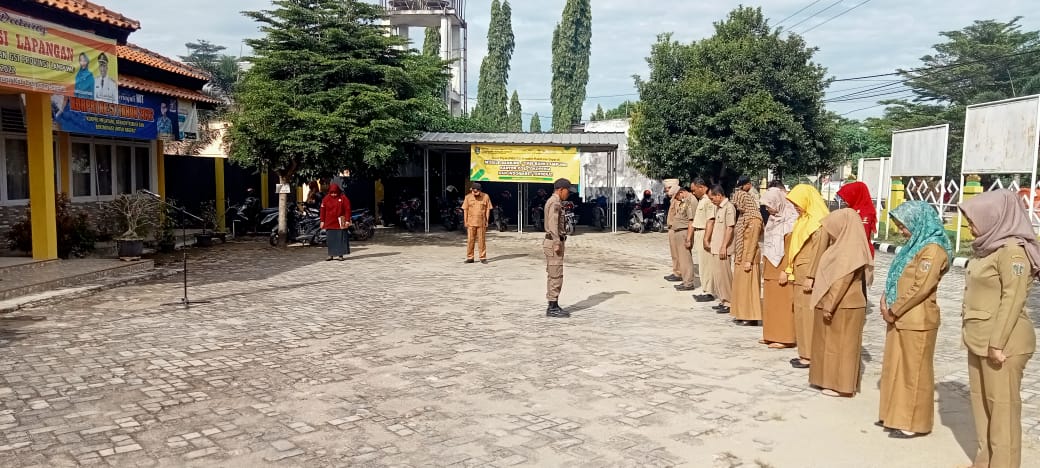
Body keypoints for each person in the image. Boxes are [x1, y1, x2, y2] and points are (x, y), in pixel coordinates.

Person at [959, 190, 1037, 468]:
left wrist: (997, 343)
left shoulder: (1014, 252)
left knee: (1002, 412)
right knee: (982, 406)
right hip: (978, 338)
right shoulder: (988, 247)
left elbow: (1012, 299)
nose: (969, 225)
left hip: (1004, 343)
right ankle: (985, 462)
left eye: (972, 219)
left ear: (994, 217)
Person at [877, 201, 952, 439]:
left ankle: (913, 422)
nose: (901, 230)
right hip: (900, 317)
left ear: (918, 222)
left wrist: (895, 308)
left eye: (903, 225)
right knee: (895, 367)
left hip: (916, 318)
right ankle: (894, 415)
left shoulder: (933, 249)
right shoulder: (915, 244)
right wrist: (885, 299)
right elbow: (898, 275)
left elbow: (921, 286)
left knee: (914, 371)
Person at [808, 208, 873, 398]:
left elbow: (842, 280)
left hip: (844, 305)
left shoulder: (849, 249)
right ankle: (828, 380)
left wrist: (830, 304)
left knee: (843, 347)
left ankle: (841, 385)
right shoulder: (843, 245)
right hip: (838, 303)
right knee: (830, 344)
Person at [785, 184, 831, 369]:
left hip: (808, 276)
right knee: (801, 314)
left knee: (808, 315)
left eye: (797, 202)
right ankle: (804, 352)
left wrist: (811, 276)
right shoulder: (804, 219)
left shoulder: (818, 222)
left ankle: (810, 354)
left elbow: (819, 252)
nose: (795, 206)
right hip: (800, 273)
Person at [760, 185, 798, 348]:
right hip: (770, 264)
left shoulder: (791, 220)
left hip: (783, 266)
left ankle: (785, 337)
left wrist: (786, 270)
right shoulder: (773, 219)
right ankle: (770, 334)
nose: (768, 209)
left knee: (783, 303)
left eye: (770, 205)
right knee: (770, 303)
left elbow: (791, 248)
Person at [731, 190, 763, 326]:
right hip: (740, 255)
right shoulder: (743, 217)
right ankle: (741, 313)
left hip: (749, 256)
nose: (738, 207)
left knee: (749, 288)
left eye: (739, 203)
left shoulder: (755, 219)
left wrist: (748, 260)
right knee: (740, 287)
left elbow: (753, 241)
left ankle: (751, 316)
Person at [544, 178, 573, 318]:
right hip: (554, 242)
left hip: (553, 241)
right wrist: (557, 242)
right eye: (567, 191)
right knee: (556, 274)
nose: (568, 194)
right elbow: (553, 224)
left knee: (553, 273)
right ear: (561, 189)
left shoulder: (555, 201)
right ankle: (552, 306)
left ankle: (553, 304)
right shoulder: (555, 202)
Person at [706, 185, 736, 314]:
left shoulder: (729, 208)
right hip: (716, 246)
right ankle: (723, 300)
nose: (712, 201)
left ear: (719, 195)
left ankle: (729, 301)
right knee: (718, 276)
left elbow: (730, 228)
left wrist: (724, 245)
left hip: (723, 248)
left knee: (724, 276)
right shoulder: (718, 208)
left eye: (713, 198)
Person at [836, 181, 877, 257]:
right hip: (850, 252)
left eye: (847, 198)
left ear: (855, 195)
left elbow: (862, 235)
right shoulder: (851, 209)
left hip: (860, 255)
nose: (844, 201)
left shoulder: (865, 212)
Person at [691, 178, 716, 302]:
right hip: (698, 232)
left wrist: (706, 238)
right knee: (702, 263)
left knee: (707, 264)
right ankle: (706, 289)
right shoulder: (701, 200)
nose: (693, 193)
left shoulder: (708, 201)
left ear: (701, 187)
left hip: (704, 232)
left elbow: (710, 220)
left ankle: (709, 291)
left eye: (694, 190)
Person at [671, 188, 698, 291]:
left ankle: (688, 283)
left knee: (685, 258)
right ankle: (685, 280)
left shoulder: (690, 200)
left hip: (684, 232)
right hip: (679, 231)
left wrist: (688, 238)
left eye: (677, 197)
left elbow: (691, 221)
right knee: (682, 259)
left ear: (681, 193)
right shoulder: (685, 200)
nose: (677, 199)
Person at [319, 183, 351, 261]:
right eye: (332, 192)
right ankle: (331, 255)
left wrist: (347, 221)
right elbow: (322, 210)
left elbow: (347, 209)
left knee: (341, 239)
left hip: (340, 222)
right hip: (329, 222)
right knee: (331, 239)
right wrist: (322, 221)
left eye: (335, 192)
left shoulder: (343, 198)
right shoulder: (326, 199)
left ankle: (340, 255)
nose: (333, 194)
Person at [463, 183, 493, 264]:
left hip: (481, 222)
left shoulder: (485, 196)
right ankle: (470, 257)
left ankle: (482, 257)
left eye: (476, 192)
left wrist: (487, 220)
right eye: (473, 191)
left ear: (480, 191)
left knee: (481, 240)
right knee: (470, 240)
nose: (474, 193)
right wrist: (465, 221)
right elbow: (465, 210)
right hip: (470, 222)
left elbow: (488, 209)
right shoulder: (468, 197)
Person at [663, 179, 682, 282]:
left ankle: (679, 272)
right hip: (671, 228)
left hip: (676, 229)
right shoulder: (672, 200)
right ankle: (676, 270)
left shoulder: (678, 200)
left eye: (669, 188)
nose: (667, 191)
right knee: (674, 253)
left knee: (677, 252)